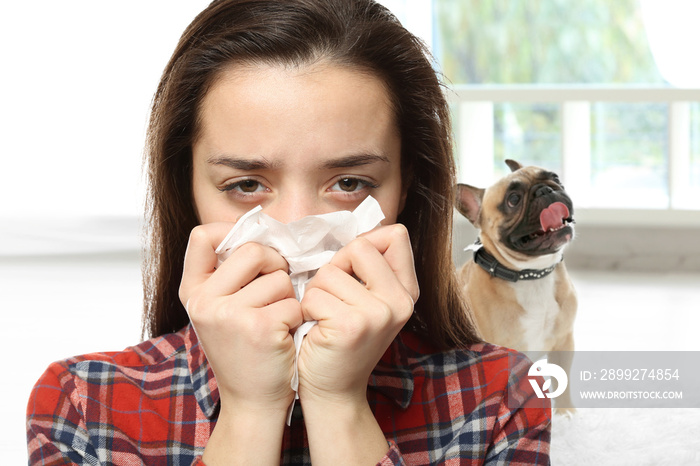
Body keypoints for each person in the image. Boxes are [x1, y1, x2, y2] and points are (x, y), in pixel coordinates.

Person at [26, 0, 551, 464]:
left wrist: (338, 406)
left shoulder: (503, 400)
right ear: (186, 189)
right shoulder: (85, 405)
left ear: (405, 189)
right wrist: (250, 413)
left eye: (349, 182)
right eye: (247, 183)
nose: (296, 227)